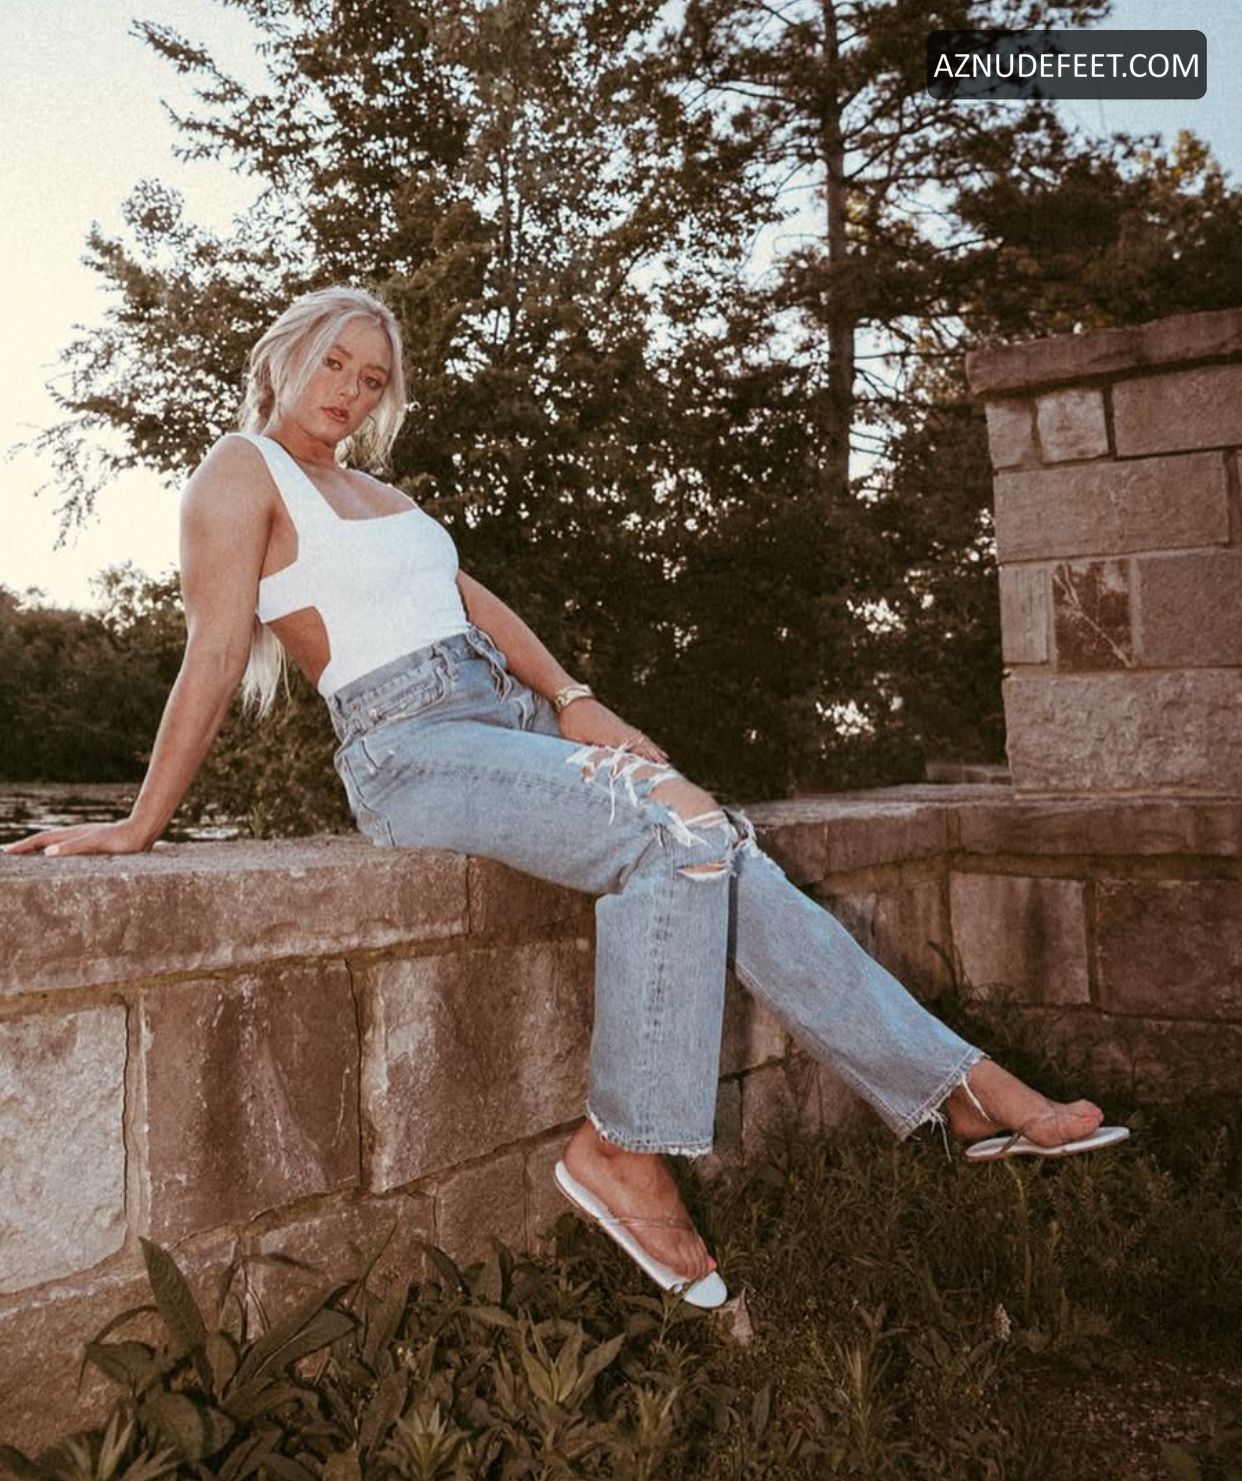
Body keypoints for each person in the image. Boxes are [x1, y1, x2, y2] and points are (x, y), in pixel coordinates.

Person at [3, 284, 1128, 1309]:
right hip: (411, 744)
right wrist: (141, 822)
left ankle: (957, 1086)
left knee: (720, 842)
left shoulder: (381, 493)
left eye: (372, 379)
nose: (349, 391)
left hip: (510, 717)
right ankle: (626, 1150)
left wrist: (576, 700)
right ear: (286, 352)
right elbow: (212, 651)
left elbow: (472, 604)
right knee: (683, 830)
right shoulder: (241, 469)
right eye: (335, 363)